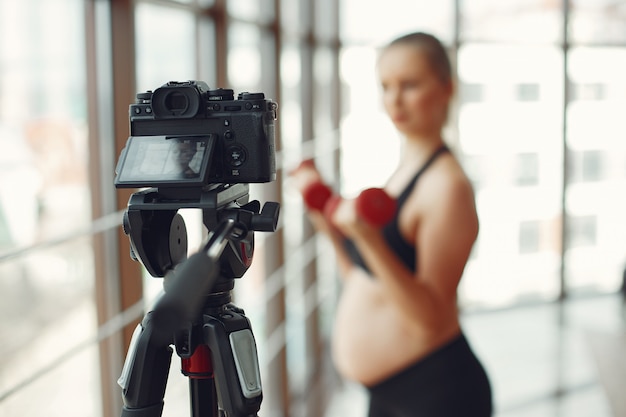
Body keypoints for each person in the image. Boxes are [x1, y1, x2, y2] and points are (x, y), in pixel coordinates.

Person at [291, 32, 492, 416]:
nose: (394, 100)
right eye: (386, 86)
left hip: (437, 394)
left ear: (447, 89)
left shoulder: (448, 186)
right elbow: (363, 278)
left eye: (410, 85)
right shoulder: (405, 170)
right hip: (390, 394)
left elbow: (430, 321)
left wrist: (367, 237)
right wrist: (323, 214)